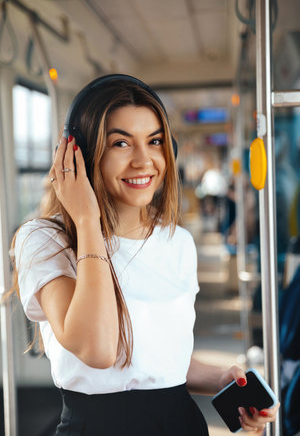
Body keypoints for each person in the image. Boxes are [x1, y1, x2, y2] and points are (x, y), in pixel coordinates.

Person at [10, 74, 279, 435]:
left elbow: (157, 359)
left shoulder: (178, 242)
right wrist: (88, 221)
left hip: (180, 424)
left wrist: (219, 378)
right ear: (79, 155)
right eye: (120, 143)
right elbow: (98, 350)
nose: (144, 160)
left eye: (154, 141)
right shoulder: (45, 239)